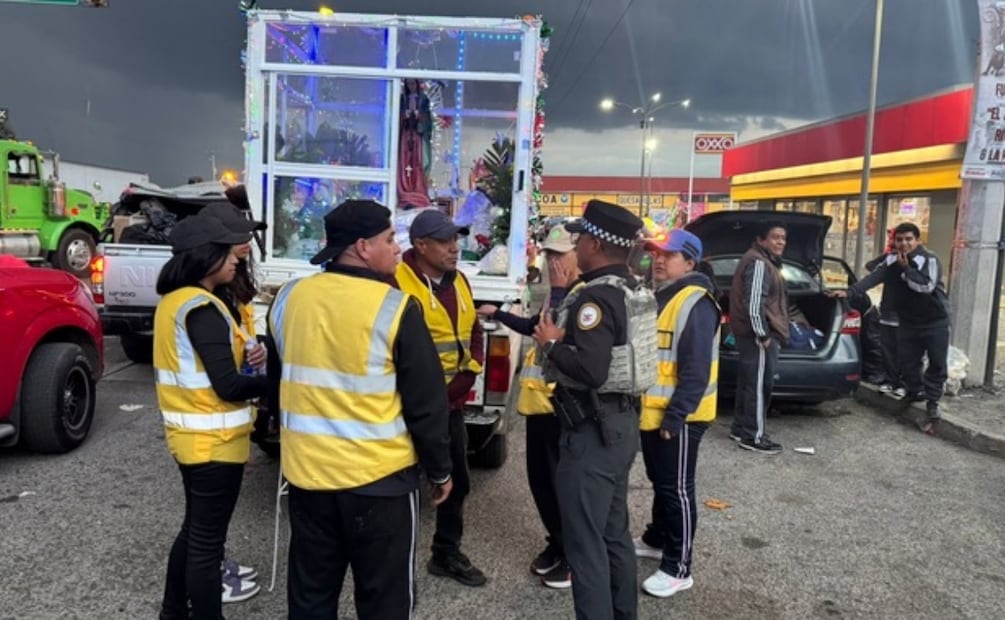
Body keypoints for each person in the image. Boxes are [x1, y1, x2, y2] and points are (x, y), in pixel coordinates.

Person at [266, 200, 454, 619]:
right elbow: (426, 404)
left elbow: (277, 383)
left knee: (311, 598)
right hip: (379, 484)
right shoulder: (395, 307)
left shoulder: (289, 297)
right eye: (390, 239)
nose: (396, 247)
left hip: (308, 480)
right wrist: (440, 470)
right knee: (385, 603)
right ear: (363, 247)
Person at [532, 199, 648, 620]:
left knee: (584, 545)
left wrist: (550, 344)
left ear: (596, 244)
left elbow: (592, 369)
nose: (575, 244)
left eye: (580, 237)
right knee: (613, 534)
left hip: (592, 433)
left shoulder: (594, 299)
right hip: (620, 425)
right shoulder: (630, 288)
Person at [153, 216, 270, 620]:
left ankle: (173, 611)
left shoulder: (177, 300)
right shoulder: (202, 308)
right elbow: (227, 386)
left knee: (194, 533)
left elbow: (212, 370)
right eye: (226, 251)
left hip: (192, 439)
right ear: (206, 257)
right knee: (207, 544)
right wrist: (277, 383)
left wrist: (248, 359)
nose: (236, 259)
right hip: (213, 446)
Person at [475, 226, 581, 589]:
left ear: (579, 255)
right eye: (549, 255)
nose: (553, 262)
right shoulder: (558, 294)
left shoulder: (581, 296)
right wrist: (501, 312)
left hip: (560, 409)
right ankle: (557, 543)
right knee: (542, 482)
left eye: (560, 255)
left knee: (559, 485)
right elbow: (536, 326)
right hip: (540, 406)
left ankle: (572, 556)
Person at [392, 208, 488, 587]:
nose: (455, 248)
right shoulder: (395, 284)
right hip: (404, 408)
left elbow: (474, 332)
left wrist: (471, 370)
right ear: (420, 245)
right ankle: (393, 560)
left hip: (451, 405)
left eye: (456, 240)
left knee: (457, 482)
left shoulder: (459, 280)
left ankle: (445, 553)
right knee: (401, 487)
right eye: (445, 241)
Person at [634, 229, 720, 599]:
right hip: (656, 413)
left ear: (689, 263)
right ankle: (657, 539)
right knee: (662, 482)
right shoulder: (662, 297)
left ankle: (679, 567)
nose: (658, 259)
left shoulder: (695, 302)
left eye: (667, 255)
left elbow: (696, 369)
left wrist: (676, 417)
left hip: (679, 418)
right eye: (655, 253)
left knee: (678, 490)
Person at [831, 222, 949, 432]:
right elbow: (872, 277)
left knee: (937, 364)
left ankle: (932, 405)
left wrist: (906, 270)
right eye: (899, 240)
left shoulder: (929, 259)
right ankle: (914, 392)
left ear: (917, 240)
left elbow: (926, 286)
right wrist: (849, 292)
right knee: (908, 363)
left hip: (934, 321)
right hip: (908, 322)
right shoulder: (892, 259)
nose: (904, 244)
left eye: (908, 239)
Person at [728, 221, 789, 455]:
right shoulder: (759, 264)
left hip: (751, 334)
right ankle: (753, 436)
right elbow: (754, 303)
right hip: (758, 336)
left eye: (783, 237)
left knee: (749, 383)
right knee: (760, 386)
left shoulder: (760, 260)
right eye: (775, 237)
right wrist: (762, 334)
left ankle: (741, 428)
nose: (780, 242)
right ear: (762, 240)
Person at [398, 78, 433, 208]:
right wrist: (404, 116)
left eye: (413, 83)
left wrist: (420, 116)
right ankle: (406, 189)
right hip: (406, 135)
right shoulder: (403, 99)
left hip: (418, 136)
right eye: (408, 84)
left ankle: (417, 190)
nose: (411, 86)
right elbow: (398, 117)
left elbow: (428, 122)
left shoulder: (424, 100)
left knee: (418, 162)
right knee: (405, 162)